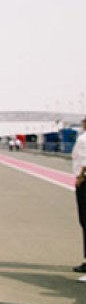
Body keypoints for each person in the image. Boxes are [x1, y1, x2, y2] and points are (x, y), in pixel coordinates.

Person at [72, 116, 86, 274]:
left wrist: (81, 177)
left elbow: (84, 161)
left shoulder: (83, 139)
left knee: (85, 220)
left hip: (85, 181)